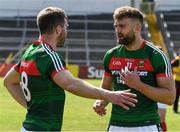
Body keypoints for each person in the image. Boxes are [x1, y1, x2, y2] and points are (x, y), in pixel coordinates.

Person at [3, 7, 138, 131]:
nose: (67, 32)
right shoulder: (49, 56)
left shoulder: (30, 52)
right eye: (66, 27)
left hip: (28, 128)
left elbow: (8, 81)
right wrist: (109, 95)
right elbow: (70, 83)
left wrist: (31, 108)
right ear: (58, 29)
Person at [93, 6, 176, 132]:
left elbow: (169, 98)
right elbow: (105, 88)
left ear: (137, 28)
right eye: (116, 26)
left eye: (122, 26)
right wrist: (101, 102)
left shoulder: (156, 56)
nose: (117, 30)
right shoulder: (111, 55)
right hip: (116, 125)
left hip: (147, 125)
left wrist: (138, 85)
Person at [171, 50, 180, 114]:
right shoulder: (177, 60)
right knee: (176, 96)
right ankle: (175, 109)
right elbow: (169, 66)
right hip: (177, 81)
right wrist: (176, 72)